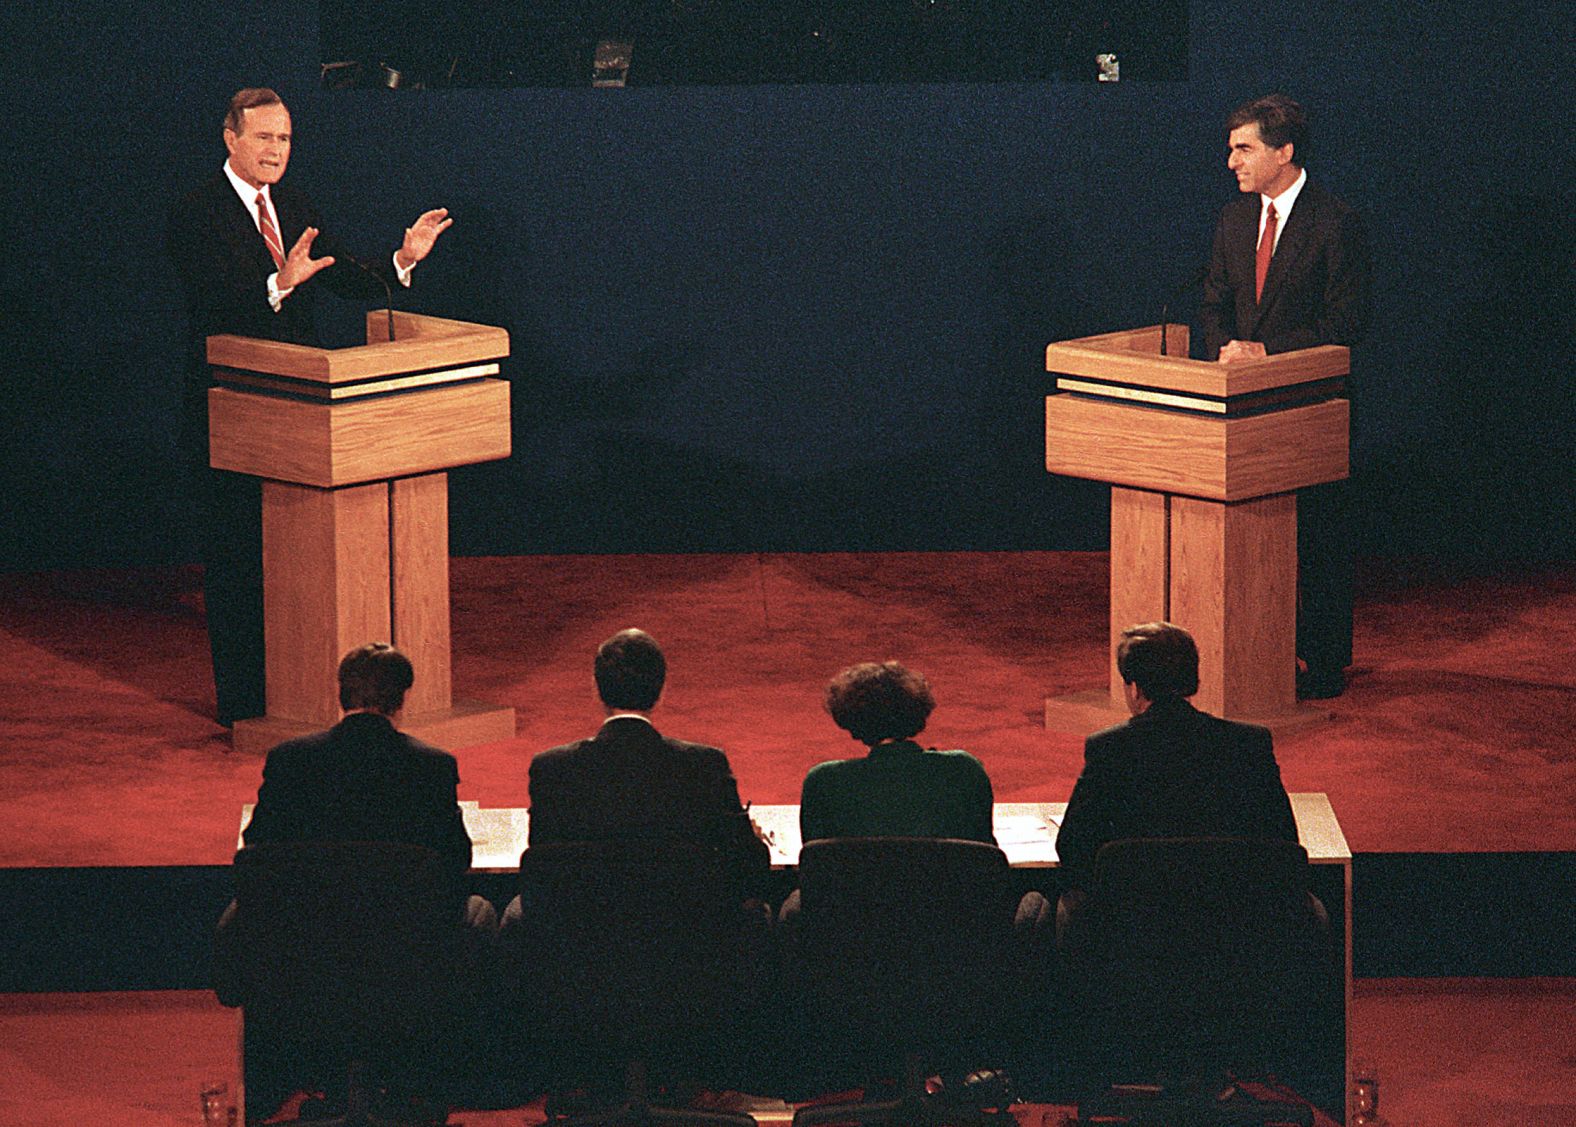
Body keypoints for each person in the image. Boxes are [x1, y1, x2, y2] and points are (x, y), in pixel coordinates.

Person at [167, 87, 453, 725]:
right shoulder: (195, 213)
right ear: (231, 138)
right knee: (240, 565)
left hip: (300, 414)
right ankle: (246, 710)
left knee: (295, 566)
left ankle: (300, 698)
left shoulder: (292, 205)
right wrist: (277, 284)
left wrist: (402, 260)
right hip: (235, 414)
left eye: (286, 139)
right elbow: (213, 301)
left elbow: (344, 272)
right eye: (264, 138)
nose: (276, 151)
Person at [213, 643, 496, 1114]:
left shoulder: (289, 760)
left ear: (340, 694)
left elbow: (257, 847)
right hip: (407, 955)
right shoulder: (431, 765)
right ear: (401, 701)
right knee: (482, 914)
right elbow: (455, 861)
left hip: (303, 951)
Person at [1200, 93, 1370, 699]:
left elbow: (1347, 324)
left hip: (1310, 407)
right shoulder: (1232, 221)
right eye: (1231, 149)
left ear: (1284, 151)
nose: (1231, 162)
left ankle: (1322, 659)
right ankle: (1256, 648)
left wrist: (1266, 355)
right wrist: (1226, 351)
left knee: (1319, 537)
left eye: (1243, 149)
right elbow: (1215, 304)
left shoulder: (1336, 222)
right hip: (1241, 406)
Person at [1053, 622, 1300, 934]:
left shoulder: (1109, 748)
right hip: (1233, 931)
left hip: (1133, 934)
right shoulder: (1249, 743)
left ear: (1134, 688)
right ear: (1192, 680)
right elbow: (1283, 842)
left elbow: (1073, 848)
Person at [507, 627, 770, 912]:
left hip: (580, 939)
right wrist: (753, 838)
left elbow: (543, 872)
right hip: (688, 940)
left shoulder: (552, 769)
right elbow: (751, 869)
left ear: (596, 689)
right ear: (662, 689)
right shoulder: (705, 765)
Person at [798, 660, 997, 844]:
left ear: (849, 721)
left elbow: (816, 861)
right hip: (949, 882)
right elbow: (983, 850)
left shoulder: (823, 781)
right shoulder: (963, 769)